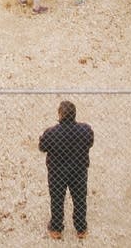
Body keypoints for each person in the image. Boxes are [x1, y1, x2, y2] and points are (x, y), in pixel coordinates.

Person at [39, 99, 94, 238]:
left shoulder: (51, 132)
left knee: (57, 198)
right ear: (75, 114)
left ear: (60, 115)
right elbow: (90, 143)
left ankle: (56, 228)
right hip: (78, 170)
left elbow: (42, 147)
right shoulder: (85, 130)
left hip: (57, 172)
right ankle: (81, 229)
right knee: (80, 198)